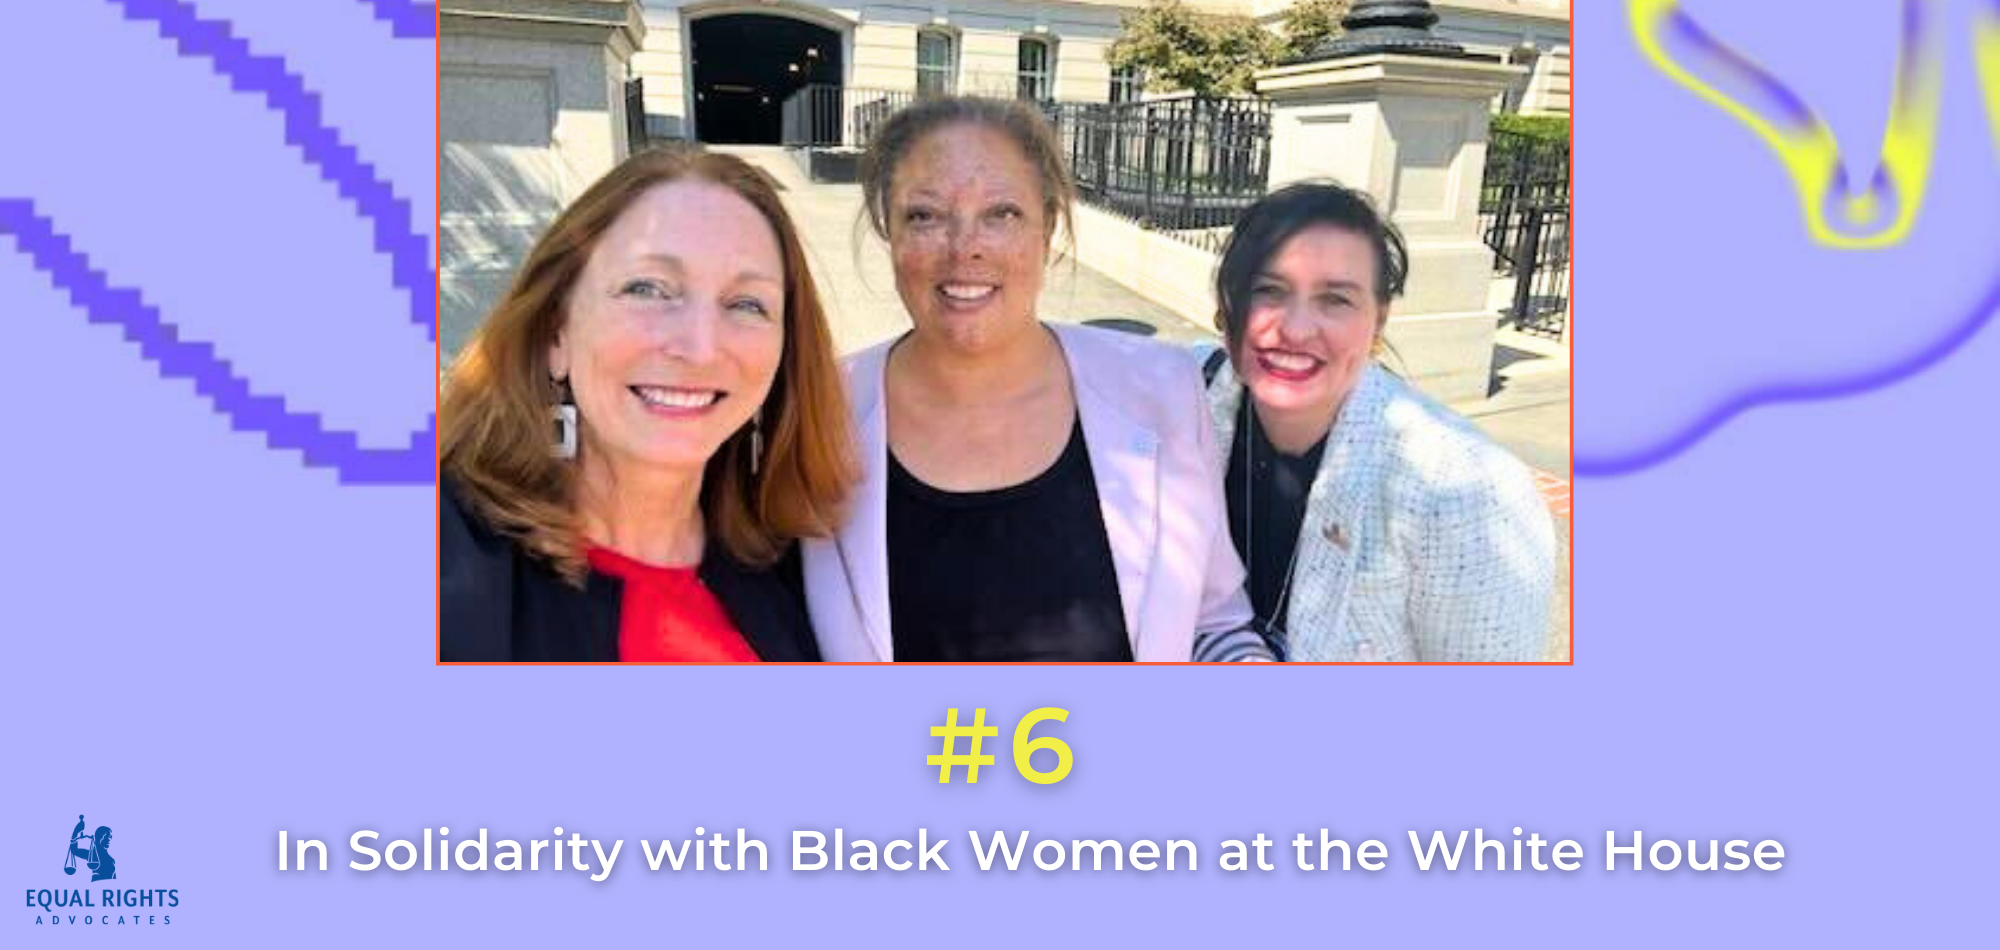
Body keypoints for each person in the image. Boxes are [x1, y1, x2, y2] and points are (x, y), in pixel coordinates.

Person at [802, 96, 1265, 662]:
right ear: (888, 229)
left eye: (1002, 214)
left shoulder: (1160, 389)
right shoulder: (821, 411)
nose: (965, 246)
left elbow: (1213, 625)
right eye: (924, 215)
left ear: (1049, 228)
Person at [441, 149, 857, 662]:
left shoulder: (803, 566)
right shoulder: (444, 555)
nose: (700, 348)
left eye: (747, 304)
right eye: (649, 289)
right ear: (555, 333)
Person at [1200, 181, 1556, 662]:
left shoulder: (1465, 491)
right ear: (1227, 305)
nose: (1295, 329)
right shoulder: (1190, 397)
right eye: (1268, 291)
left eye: (1336, 300)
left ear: (1378, 321)